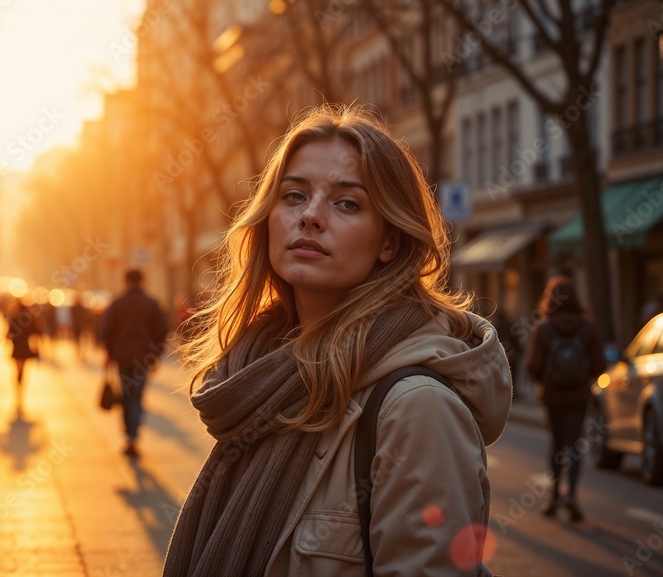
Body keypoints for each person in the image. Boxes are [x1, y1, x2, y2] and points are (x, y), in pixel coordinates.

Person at [163, 105, 512, 577]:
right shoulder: (263, 383)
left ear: (390, 241)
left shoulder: (417, 408)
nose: (310, 216)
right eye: (293, 196)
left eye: (346, 203)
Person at [524, 276, 605, 522]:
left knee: (556, 444)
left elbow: (532, 366)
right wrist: (581, 376)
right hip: (579, 394)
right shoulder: (587, 328)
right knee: (575, 445)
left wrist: (546, 380)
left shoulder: (543, 329)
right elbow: (599, 365)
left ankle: (553, 497)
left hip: (552, 395)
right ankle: (572, 496)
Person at [98, 269, 169, 458]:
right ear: (143, 281)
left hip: (122, 358)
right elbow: (162, 332)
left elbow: (106, 331)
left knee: (126, 396)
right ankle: (133, 437)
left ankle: (128, 436)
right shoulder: (152, 303)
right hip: (143, 359)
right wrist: (155, 357)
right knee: (137, 397)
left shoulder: (117, 302)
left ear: (125, 281)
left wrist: (108, 354)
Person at [7, 298, 41, 413]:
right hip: (26, 348)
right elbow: (36, 332)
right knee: (23, 372)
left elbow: (9, 333)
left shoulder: (14, 316)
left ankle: (18, 390)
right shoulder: (29, 317)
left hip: (17, 348)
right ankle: (20, 391)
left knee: (18, 371)